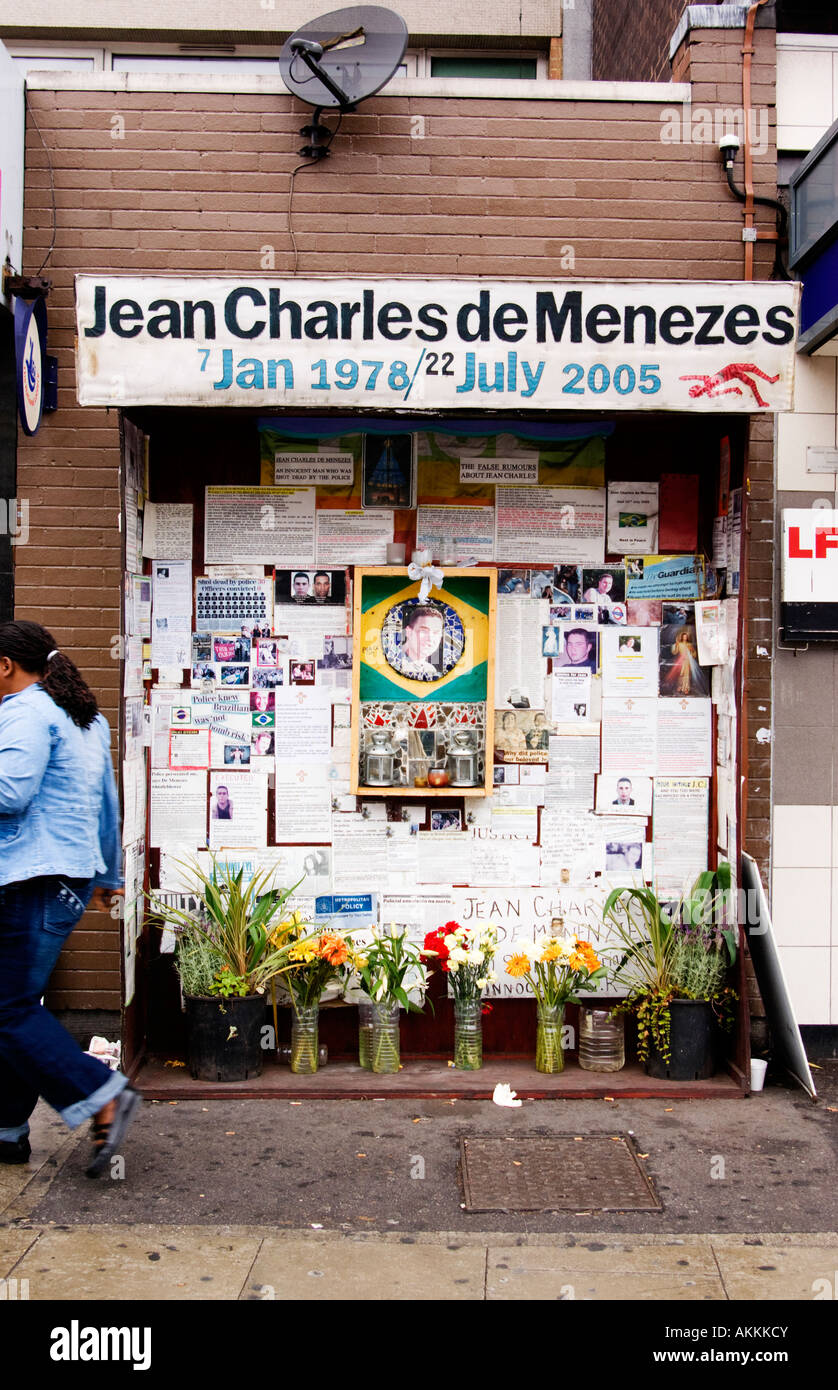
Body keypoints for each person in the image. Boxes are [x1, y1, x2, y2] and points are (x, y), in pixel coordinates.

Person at [0, 621, 139, 1178]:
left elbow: (11, 791)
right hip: (67, 881)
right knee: (16, 1005)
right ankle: (8, 1130)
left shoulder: (25, 711)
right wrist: (109, 877)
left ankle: (101, 1091)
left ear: (6, 665)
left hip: (29, 879)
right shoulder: (87, 720)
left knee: (8, 1009)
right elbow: (107, 804)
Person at [401, 606, 444, 679]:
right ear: (408, 632)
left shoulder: (430, 670)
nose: (430, 638)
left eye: (436, 632)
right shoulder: (393, 663)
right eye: (423, 631)